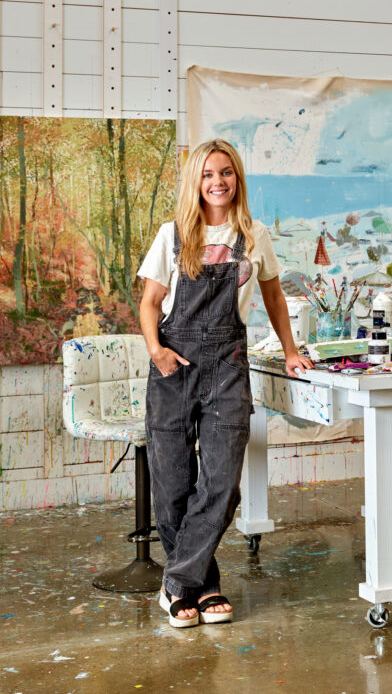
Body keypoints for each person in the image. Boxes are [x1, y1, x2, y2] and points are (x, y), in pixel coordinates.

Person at [138, 138, 313, 628]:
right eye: (208, 174)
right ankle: (204, 585)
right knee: (173, 485)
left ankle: (175, 584)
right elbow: (150, 303)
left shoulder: (254, 235)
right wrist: (156, 351)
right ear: (196, 181)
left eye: (227, 172)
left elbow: (274, 298)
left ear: (238, 178)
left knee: (221, 485)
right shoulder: (172, 235)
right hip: (173, 366)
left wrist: (291, 351)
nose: (218, 182)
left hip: (227, 368)